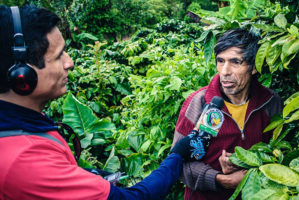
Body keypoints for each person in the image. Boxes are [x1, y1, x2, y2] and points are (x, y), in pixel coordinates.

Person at [0, 5, 208, 200]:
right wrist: (177, 155)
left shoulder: (20, 122)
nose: (69, 62)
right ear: (22, 75)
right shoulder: (23, 160)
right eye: (58, 56)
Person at [172, 28, 283, 200]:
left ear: (253, 67)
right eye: (220, 61)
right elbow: (177, 164)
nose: (224, 71)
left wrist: (246, 161)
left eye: (235, 62)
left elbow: (279, 154)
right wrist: (219, 179)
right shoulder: (198, 102)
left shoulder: (271, 102)